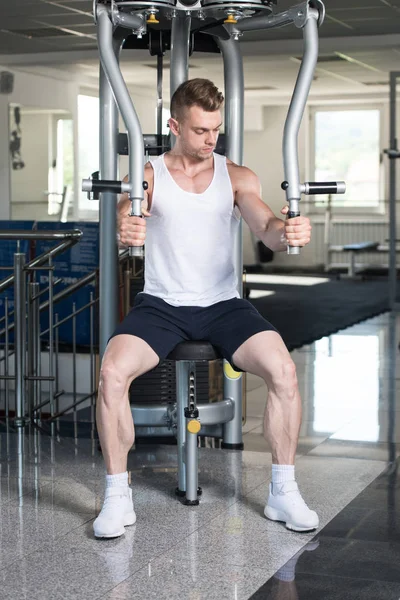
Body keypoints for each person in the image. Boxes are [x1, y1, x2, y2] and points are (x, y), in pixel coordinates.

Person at [93, 78, 318, 539]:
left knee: (284, 371)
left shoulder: (237, 177)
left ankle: (282, 491)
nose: (211, 139)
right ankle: (117, 496)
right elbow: (126, 218)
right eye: (200, 130)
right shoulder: (148, 175)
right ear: (174, 125)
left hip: (223, 306)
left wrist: (287, 232)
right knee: (113, 374)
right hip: (162, 305)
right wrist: (126, 227)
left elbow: (267, 226)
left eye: (216, 129)